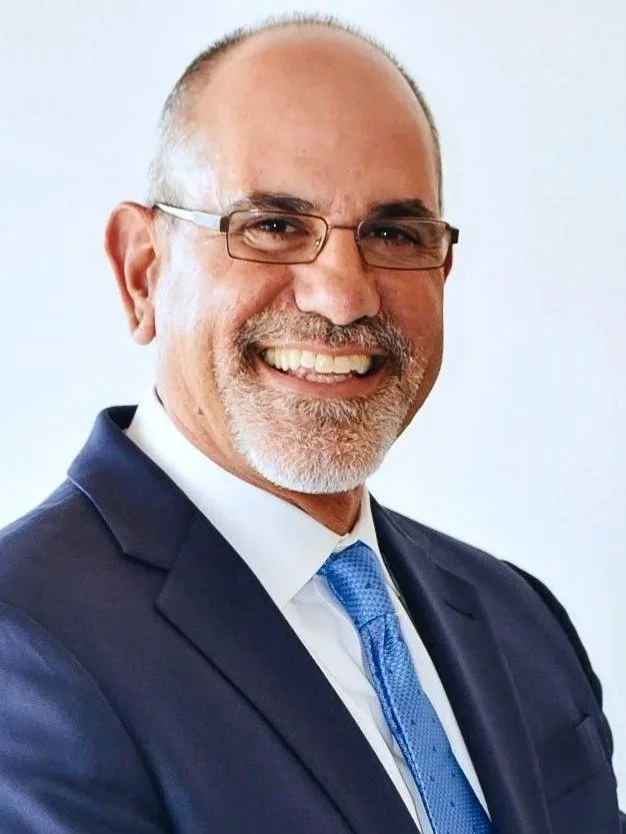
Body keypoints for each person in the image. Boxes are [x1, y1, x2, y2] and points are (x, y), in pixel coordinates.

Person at [0, 14, 622, 834]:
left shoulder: (518, 618)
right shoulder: (24, 648)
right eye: (273, 226)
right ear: (143, 272)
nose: (343, 295)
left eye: (393, 234)